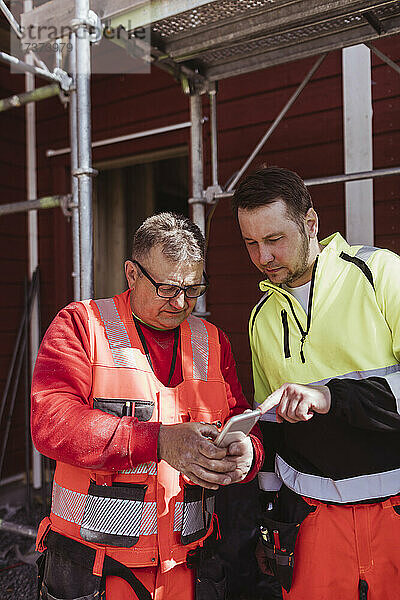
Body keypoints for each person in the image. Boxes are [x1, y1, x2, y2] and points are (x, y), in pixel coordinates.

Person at [31, 212, 264, 600]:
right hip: (96, 570)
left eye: (193, 289)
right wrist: (158, 441)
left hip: (192, 568)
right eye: (167, 287)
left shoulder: (214, 341)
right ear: (132, 274)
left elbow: (244, 422)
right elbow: (50, 423)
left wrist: (247, 455)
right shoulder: (81, 325)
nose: (180, 302)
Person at [232, 166, 400, 599]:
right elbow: (269, 424)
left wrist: (330, 397)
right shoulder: (260, 317)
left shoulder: (380, 273)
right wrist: (268, 510)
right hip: (310, 523)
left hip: (394, 510)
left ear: (310, 223)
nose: (262, 257)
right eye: (251, 243)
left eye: (274, 240)